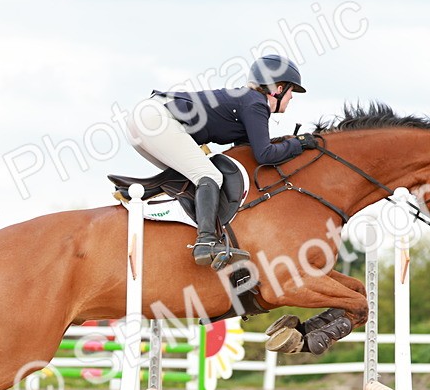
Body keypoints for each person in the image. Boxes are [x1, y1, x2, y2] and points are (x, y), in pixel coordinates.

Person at [125, 55, 320, 266]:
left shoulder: (247, 101)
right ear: (278, 88)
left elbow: (248, 156)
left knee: (193, 176)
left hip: (142, 121)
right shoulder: (256, 103)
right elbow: (265, 154)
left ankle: (155, 208)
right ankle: (206, 241)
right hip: (156, 120)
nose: (292, 97)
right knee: (209, 175)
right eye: (292, 91)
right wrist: (299, 143)